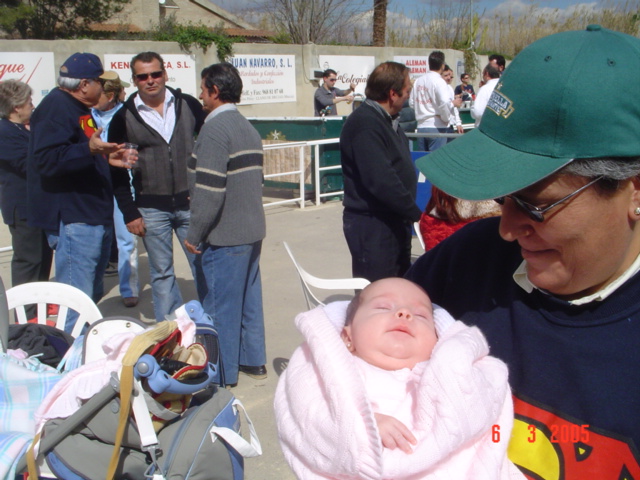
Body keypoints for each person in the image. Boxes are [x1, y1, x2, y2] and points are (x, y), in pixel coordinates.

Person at [410, 25, 640, 478]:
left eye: (536, 205)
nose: (507, 228)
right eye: (501, 196)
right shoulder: (464, 264)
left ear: (634, 191)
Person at [275, 278, 523, 479]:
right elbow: (309, 415)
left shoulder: (443, 370)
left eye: (421, 315)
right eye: (384, 307)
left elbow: (483, 405)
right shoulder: (331, 372)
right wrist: (361, 426)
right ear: (347, 337)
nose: (404, 313)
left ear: (438, 340)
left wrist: (453, 363)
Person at [184, 63, 267, 386]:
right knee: (248, 300)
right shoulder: (247, 127)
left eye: (203, 89)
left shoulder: (215, 130)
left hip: (226, 233)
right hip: (251, 229)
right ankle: (252, 360)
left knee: (220, 307)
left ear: (215, 91)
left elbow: (209, 191)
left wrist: (194, 233)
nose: (200, 95)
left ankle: (221, 376)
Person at [27, 52, 123, 330]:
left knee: (90, 297)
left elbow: (79, 151)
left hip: (92, 214)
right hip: (75, 220)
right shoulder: (56, 107)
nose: (102, 87)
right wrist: (89, 150)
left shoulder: (78, 107)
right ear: (83, 85)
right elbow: (45, 160)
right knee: (76, 304)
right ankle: (70, 352)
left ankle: (83, 347)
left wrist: (106, 157)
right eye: (98, 82)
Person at [109, 51, 205, 322]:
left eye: (155, 74)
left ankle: (212, 324)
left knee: (202, 266)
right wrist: (130, 212)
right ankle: (170, 331)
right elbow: (115, 170)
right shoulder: (123, 117)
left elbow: (213, 145)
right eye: (143, 76)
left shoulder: (188, 105)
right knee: (162, 273)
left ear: (164, 74)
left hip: (191, 204)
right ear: (134, 80)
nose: (150, 80)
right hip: (151, 208)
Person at [340, 61, 422, 282]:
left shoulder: (387, 122)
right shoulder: (365, 124)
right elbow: (381, 180)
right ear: (393, 94)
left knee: (399, 288)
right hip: (374, 227)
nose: (409, 96)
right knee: (378, 292)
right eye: (407, 91)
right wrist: (417, 215)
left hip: (394, 223)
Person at [91, 72, 140, 308]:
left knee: (126, 239)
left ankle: (129, 288)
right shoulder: (87, 115)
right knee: (95, 239)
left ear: (110, 96)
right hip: (95, 184)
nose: (92, 97)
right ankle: (90, 290)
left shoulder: (126, 115)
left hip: (122, 182)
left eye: (98, 94)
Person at [0, 80, 52, 292]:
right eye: (29, 102)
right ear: (16, 107)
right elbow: (28, 164)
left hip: (37, 204)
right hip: (22, 207)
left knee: (43, 256)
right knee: (29, 259)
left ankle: (39, 300)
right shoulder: (4, 131)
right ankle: (25, 305)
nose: (33, 106)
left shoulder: (22, 129)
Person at [409, 51, 462, 152]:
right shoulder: (439, 81)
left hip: (421, 127)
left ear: (429, 64)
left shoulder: (418, 81)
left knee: (423, 159)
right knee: (436, 160)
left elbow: (412, 103)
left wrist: (422, 110)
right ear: (442, 65)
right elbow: (444, 103)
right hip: (437, 127)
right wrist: (445, 119)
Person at [441, 64, 463, 137]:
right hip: (441, 125)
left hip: (450, 124)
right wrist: (453, 103)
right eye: (446, 76)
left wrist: (458, 123)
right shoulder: (438, 88)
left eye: (450, 76)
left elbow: (454, 108)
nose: (449, 78)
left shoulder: (450, 88)